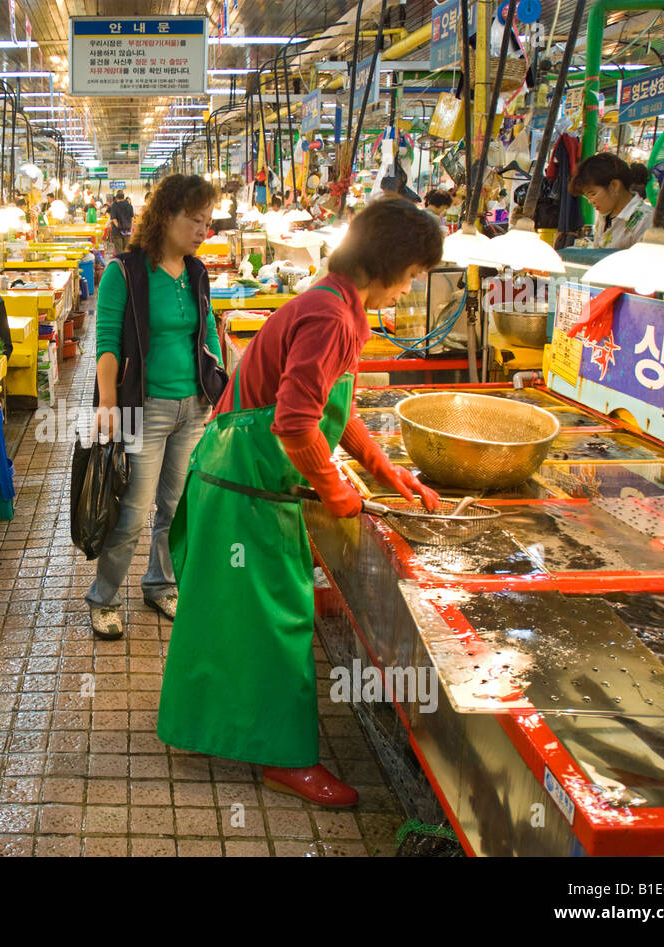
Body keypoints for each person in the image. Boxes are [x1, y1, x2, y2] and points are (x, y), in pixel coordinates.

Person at [156, 200, 444, 807]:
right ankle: (288, 760)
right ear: (388, 263)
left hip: (240, 479)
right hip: (245, 487)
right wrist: (340, 495)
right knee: (281, 617)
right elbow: (294, 423)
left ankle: (220, 726)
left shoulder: (337, 305)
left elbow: (337, 412)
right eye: (414, 273)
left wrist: (387, 472)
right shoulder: (330, 315)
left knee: (232, 614)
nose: (411, 286)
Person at [86, 173, 227, 640]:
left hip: (194, 407)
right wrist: (108, 403)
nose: (203, 230)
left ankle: (160, 583)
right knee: (133, 510)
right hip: (143, 408)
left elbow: (206, 331)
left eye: (207, 222)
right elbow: (107, 341)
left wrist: (217, 383)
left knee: (175, 505)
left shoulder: (196, 272)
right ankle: (104, 598)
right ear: (166, 217)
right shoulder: (124, 271)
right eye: (195, 220)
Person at [570, 153, 651, 249]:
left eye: (593, 194)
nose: (590, 201)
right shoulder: (605, 216)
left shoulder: (646, 220)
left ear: (614, 186)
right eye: (587, 196)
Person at [108, 189, 134, 255]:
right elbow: (132, 219)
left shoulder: (114, 206)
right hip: (127, 231)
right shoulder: (129, 206)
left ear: (116, 198)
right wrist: (129, 228)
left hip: (117, 232)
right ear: (123, 197)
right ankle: (127, 265)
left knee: (119, 253)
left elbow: (114, 219)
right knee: (127, 252)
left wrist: (120, 227)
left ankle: (120, 265)